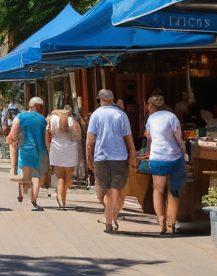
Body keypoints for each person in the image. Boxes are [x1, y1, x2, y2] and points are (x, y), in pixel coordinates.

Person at [86, 88, 136, 234]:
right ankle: (112, 217)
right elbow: (129, 140)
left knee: (107, 192)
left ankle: (109, 221)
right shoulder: (121, 115)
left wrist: (89, 159)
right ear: (112, 99)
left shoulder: (95, 115)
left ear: (100, 99)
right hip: (119, 157)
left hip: (101, 158)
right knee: (117, 191)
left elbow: (89, 141)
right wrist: (132, 158)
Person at [144, 93, 186, 235]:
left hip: (157, 158)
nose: (147, 107)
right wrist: (183, 151)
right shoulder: (172, 117)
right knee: (173, 191)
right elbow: (179, 138)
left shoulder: (151, 119)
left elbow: (149, 139)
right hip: (174, 157)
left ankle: (161, 220)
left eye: (148, 104)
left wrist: (149, 153)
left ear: (152, 105)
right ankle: (171, 224)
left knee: (158, 189)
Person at [8, 97, 48, 212]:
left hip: (25, 149)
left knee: (26, 175)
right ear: (39, 106)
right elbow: (46, 139)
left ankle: (23, 193)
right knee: (37, 177)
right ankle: (34, 202)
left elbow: (12, 137)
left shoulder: (20, 117)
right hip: (40, 151)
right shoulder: (43, 119)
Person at [47, 104, 81, 209]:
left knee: (60, 177)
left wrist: (49, 149)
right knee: (68, 177)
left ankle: (61, 198)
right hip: (70, 151)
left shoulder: (51, 119)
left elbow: (47, 136)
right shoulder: (72, 121)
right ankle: (63, 198)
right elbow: (78, 136)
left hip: (56, 149)